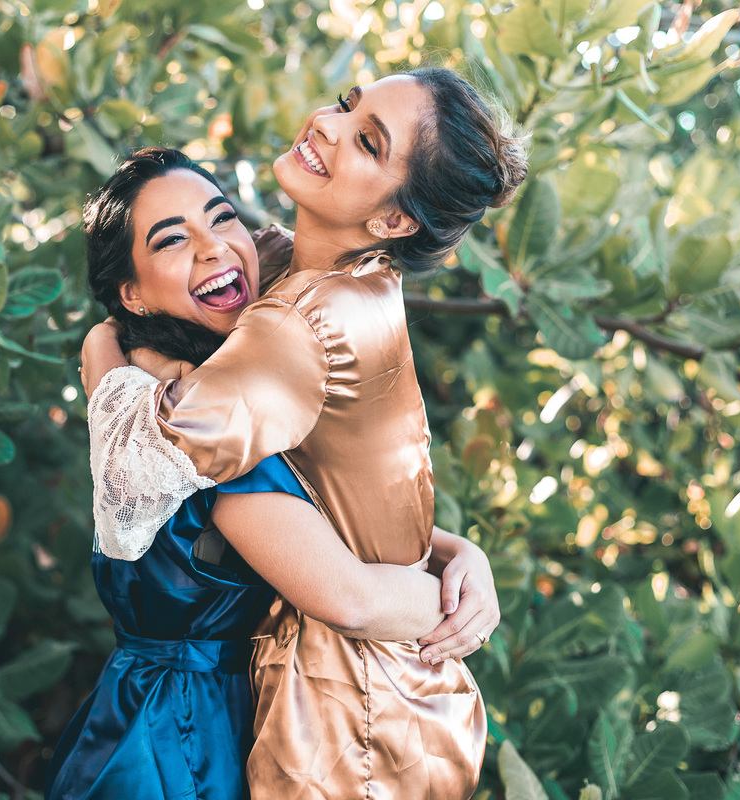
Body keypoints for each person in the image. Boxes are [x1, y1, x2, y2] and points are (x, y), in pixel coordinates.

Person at [81, 69, 527, 799]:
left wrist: (109, 358)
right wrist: (450, 554)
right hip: (383, 693)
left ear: (393, 221)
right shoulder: (345, 276)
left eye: (367, 141)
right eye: (348, 105)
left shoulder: (288, 329)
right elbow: (345, 485)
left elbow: (135, 471)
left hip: (346, 716)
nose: (327, 123)